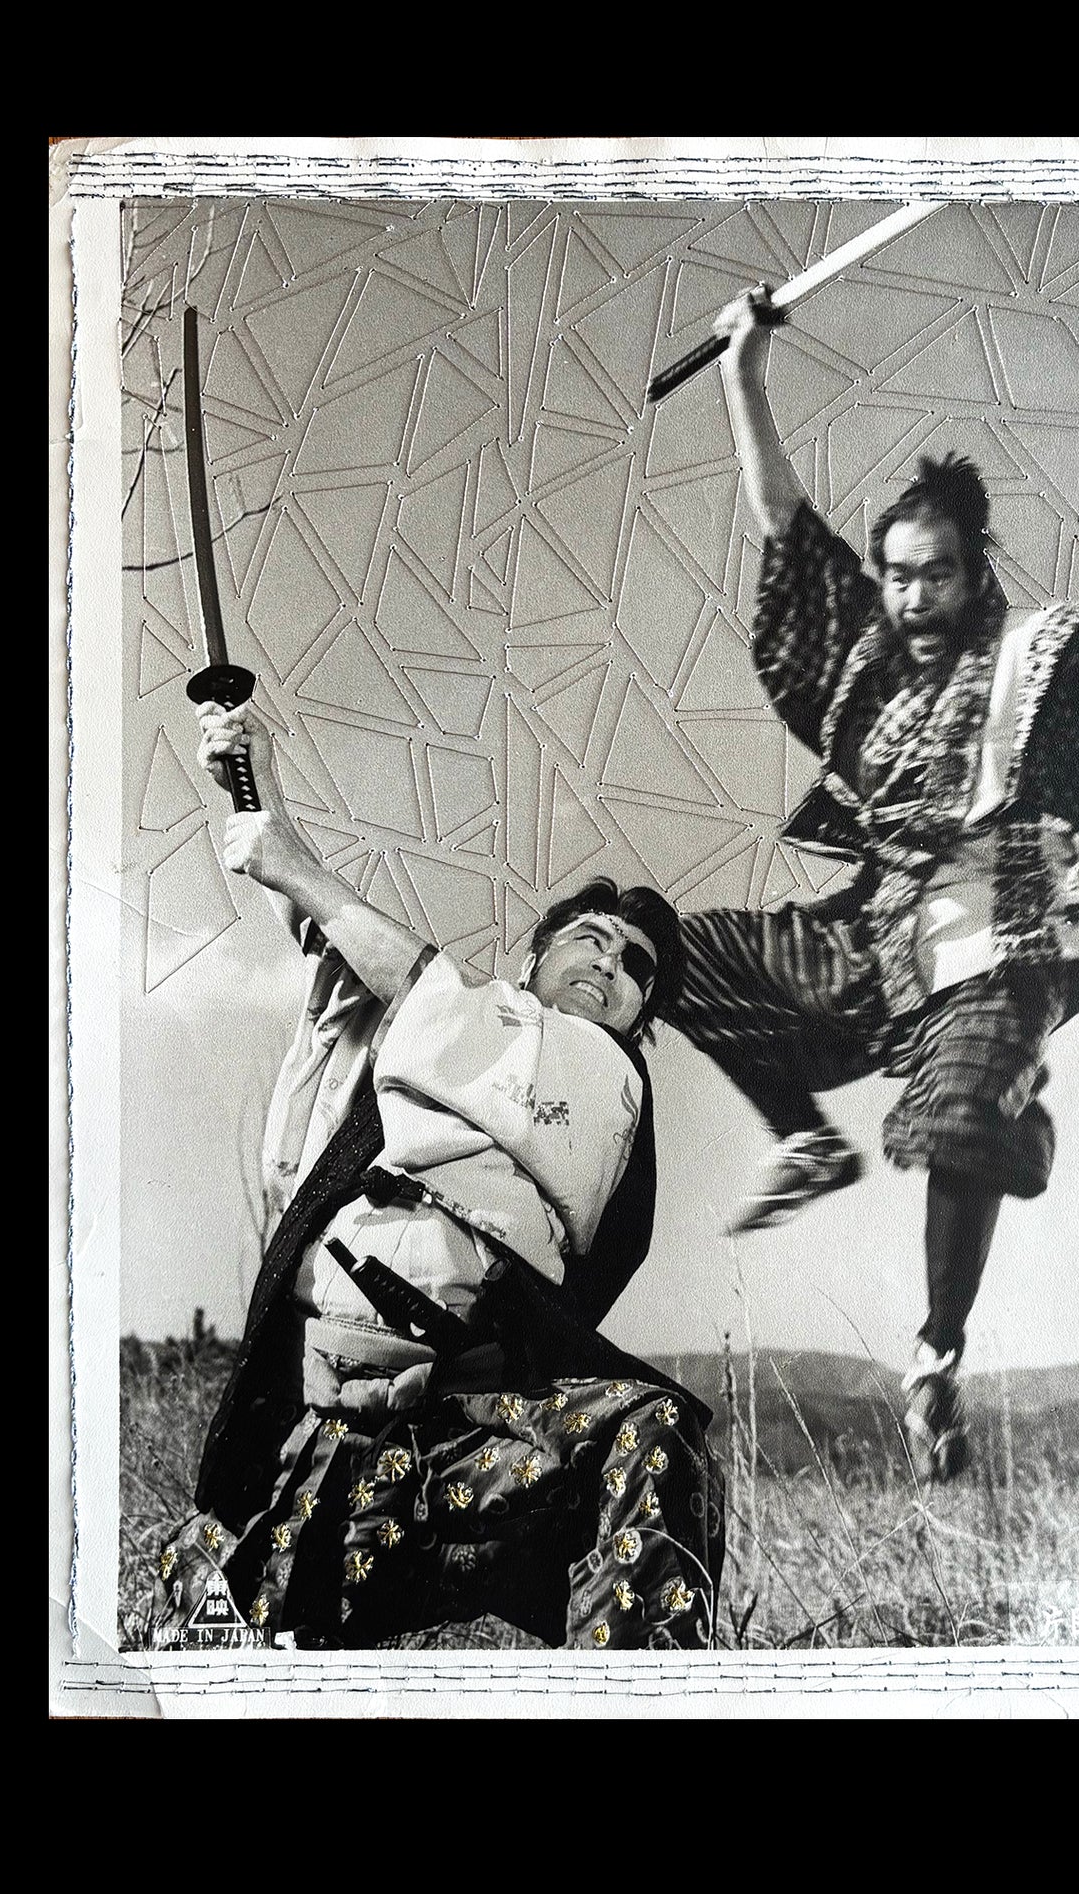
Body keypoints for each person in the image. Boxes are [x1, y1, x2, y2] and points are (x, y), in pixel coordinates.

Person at [662, 287, 1079, 1484]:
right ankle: (803, 1138)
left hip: (1002, 929)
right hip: (876, 932)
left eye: (931, 575)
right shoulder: (867, 658)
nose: (909, 596)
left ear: (973, 570)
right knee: (666, 946)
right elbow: (783, 521)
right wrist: (742, 371)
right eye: (893, 575)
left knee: (963, 1110)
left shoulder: (1036, 661)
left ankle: (934, 1353)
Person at [148, 703, 723, 1651]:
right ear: (534, 955)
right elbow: (332, 943)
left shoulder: (608, 1079)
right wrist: (253, 781)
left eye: (636, 967)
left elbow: (424, 990)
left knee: (655, 1433)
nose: (611, 960)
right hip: (318, 1448)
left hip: (466, 1452)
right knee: (190, 1643)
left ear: (640, 1016)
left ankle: (632, 1699)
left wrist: (292, 858)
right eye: (590, 936)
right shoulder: (434, 1024)